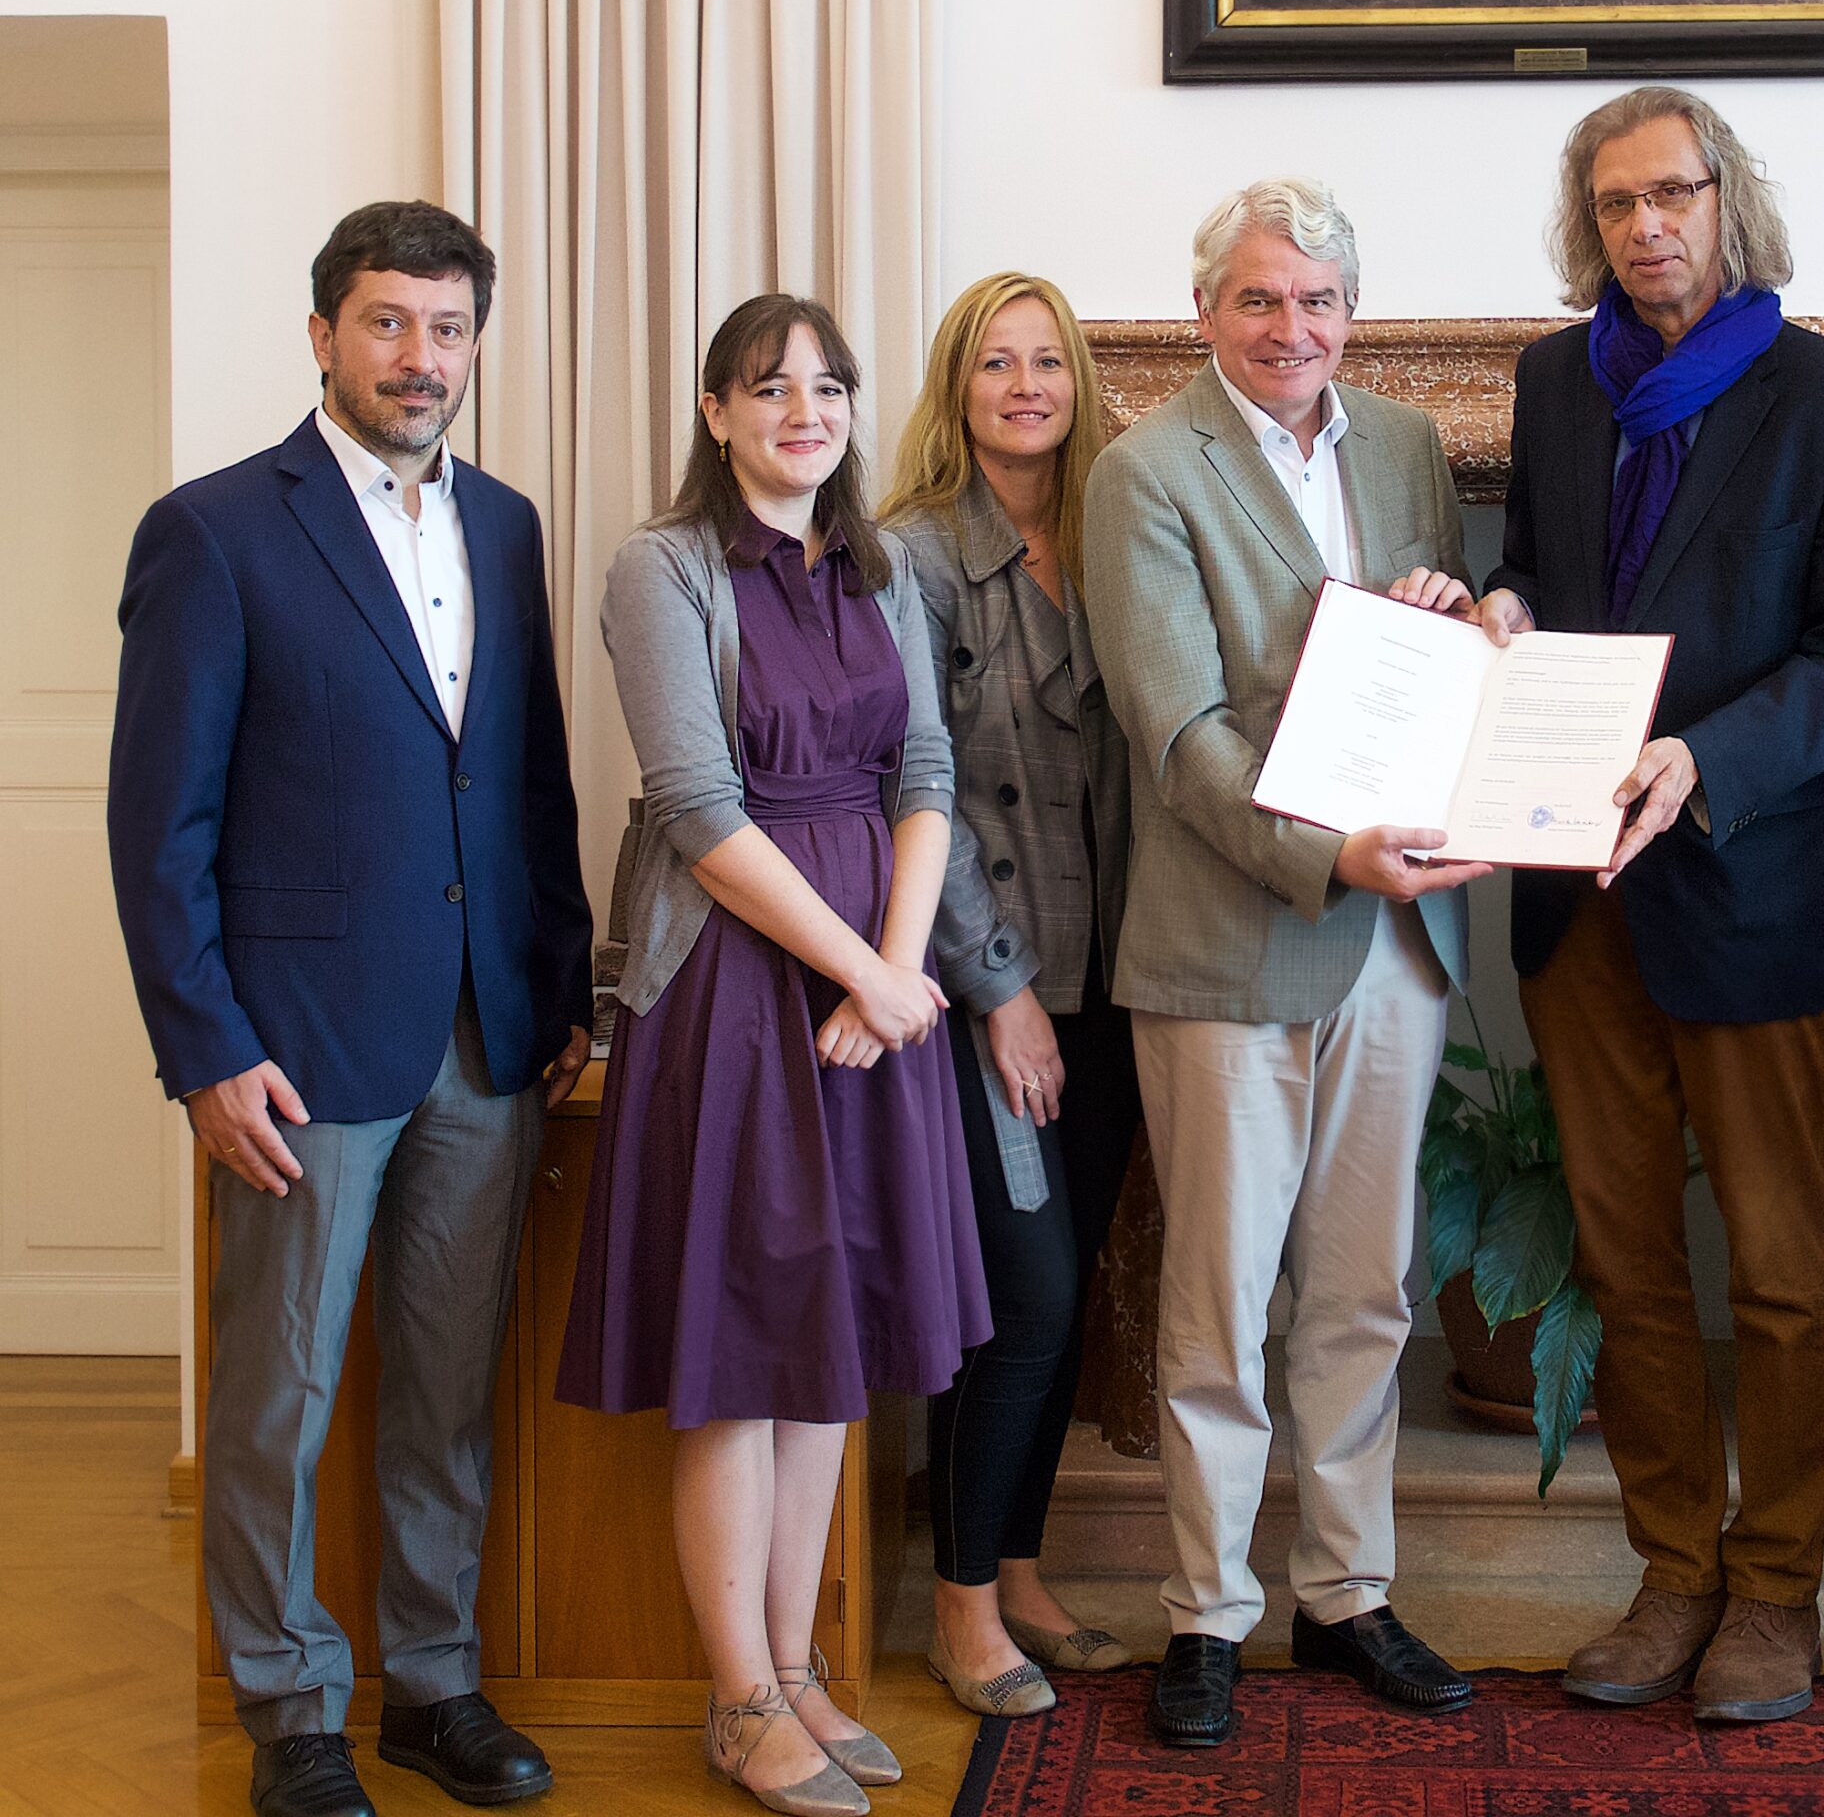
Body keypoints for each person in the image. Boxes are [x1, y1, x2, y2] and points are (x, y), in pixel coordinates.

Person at [108, 201, 591, 1817]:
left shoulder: (511, 526)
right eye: (388, 323)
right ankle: (293, 1709)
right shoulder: (218, 530)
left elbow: (528, 780)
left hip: (485, 1033)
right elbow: (157, 822)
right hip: (298, 1051)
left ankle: (431, 1685)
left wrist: (565, 972)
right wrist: (203, 1048)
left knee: (448, 1392)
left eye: (447, 329)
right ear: (323, 335)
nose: (420, 357)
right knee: (280, 1397)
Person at [1478, 89, 1824, 1725]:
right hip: (1575, 897)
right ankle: (1672, 1574)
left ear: (1730, 201)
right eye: (1614, 205)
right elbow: (1536, 563)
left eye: (1673, 194)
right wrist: (1512, 603)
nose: (1646, 226)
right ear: (1585, 225)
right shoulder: (1552, 381)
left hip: (1749, 880)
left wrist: (1698, 759)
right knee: (1625, 1259)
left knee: (1789, 1272)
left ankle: (1778, 1590)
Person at [554, 294, 987, 1817]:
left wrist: (899, 975)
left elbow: (925, 772)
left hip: (876, 1014)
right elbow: (695, 807)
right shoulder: (659, 568)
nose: (804, 410)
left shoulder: (882, 570)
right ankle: (737, 1699)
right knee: (743, 1359)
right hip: (742, 997)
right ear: (715, 409)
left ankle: (799, 1668)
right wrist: (862, 966)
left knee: (833, 1354)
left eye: (828, 385)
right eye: (768, 386)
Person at [1083, 178, 1487, 1750]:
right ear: (1204, 315)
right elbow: (1177, 737)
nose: (1289, 329)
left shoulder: (1395, 446)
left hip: (1395, 939)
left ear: (1350, 316)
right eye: (1258, 301)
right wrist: (1328, 854)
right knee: (1216, 1302)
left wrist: (1476, 610)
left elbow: (1433, 664)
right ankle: (1205, 1612)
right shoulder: (1140, 472)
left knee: (1363, 1294)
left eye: (1317, 301)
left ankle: (1345, 1596)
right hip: (1231, 941)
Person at [881, 273, 1145, 1716]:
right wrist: (999, 993)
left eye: (1048, 362)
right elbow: (914, 793)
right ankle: (960, 1607)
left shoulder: (1112, 539)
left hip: (1116, 973)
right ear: (959, 385)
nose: (1026, 386)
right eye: (997, 363)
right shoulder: (912, 558)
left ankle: (1022, 1564)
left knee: (1068, 1297)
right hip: (995, 986)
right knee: (1025, 1302)